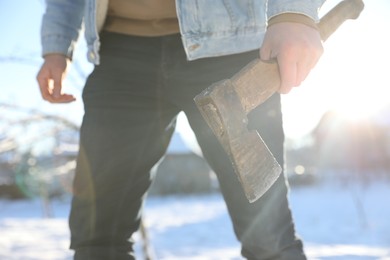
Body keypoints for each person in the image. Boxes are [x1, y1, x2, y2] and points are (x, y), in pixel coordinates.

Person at [37, 0, 324, 259]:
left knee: (269, 238)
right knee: (96, 240)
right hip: (119, 57)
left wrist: (293, 11)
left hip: (227, 44)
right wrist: (56, 46)